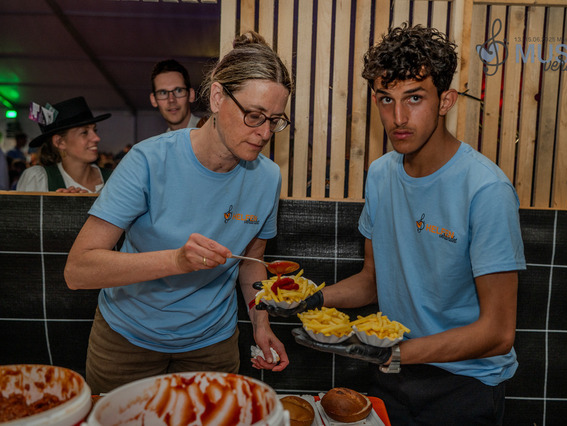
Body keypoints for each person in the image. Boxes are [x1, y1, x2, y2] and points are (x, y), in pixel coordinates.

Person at [264, 24, 526, 425]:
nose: (398, 117)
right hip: (393, 373)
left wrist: (396, 352)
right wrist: (312, 300)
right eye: (386, 99)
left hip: (465, 385)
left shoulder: (486, 189)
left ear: (446, 101)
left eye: (414, 98)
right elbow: (372, 281)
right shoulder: (381, 174)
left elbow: (498, 332)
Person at [64, 31, 293, 394]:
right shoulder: (148, 160)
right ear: (217, 97)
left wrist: (260, 323)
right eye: (254, 115)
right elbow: (78, 270)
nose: (265, 132)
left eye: (275, 120)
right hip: (127, 341)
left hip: (212, 345)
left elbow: (251, 260)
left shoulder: (267, 178)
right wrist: (176, 260)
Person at [16, 97, 113, 193]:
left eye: (95, 130)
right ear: (60, 142)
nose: (96, 138)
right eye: (84, 132)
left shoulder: (114, 179)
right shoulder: (38, 180)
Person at [150, 59, 201, 132]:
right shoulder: (162, 139)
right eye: (163, 93)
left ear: (191, 95)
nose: (171, 100)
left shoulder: (211, 133)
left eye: (178, 91)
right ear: (153, 100)